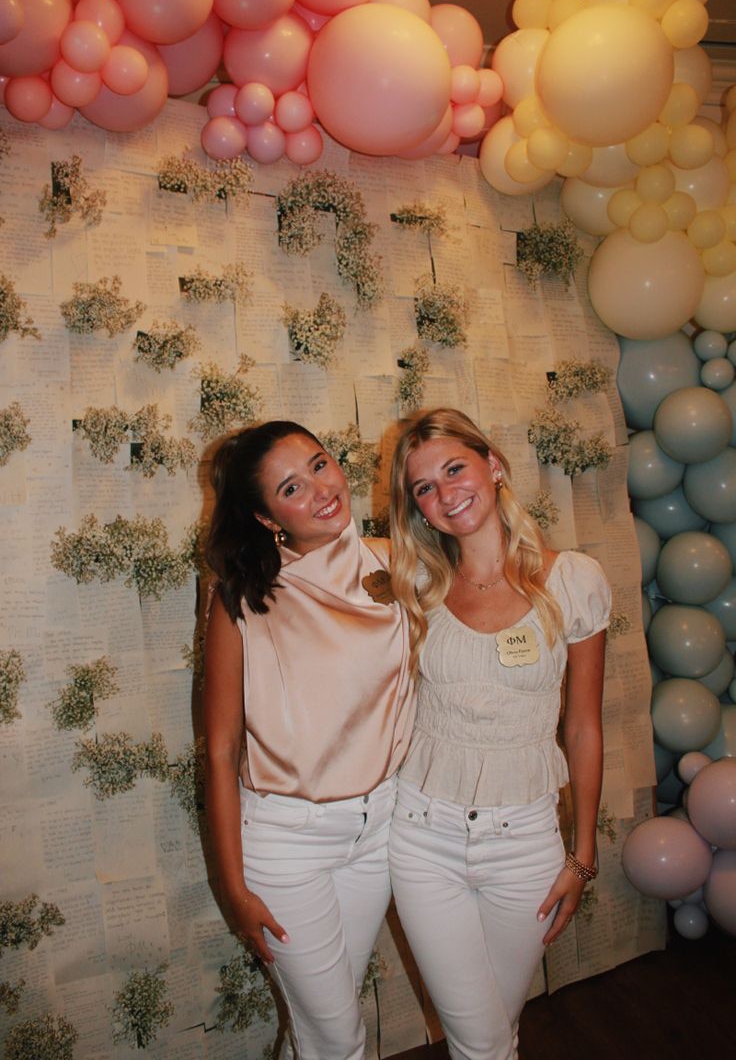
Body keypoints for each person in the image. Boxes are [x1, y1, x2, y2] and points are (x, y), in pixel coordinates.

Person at [388, 408, 610, 1060]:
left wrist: (583, 852)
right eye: (423, 487)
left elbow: (584, 725)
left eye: (454, 468)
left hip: (526, 843)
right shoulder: (416, 583)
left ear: (494, 465)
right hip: (422, 837)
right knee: (483, 1043)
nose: (443, 492)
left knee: (494, 1030)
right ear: (418, 509)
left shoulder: (573, 580)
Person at [203, 420, 414, 1060]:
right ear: (268, 519)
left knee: (325, 1025)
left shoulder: (393, 560)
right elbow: (217, 748)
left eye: (320, 465)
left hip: (380, 830)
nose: (322, 490)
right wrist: (233, 885)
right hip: (289, 842)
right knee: (338, 1039)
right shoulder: (242, 598)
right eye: (292, 487)